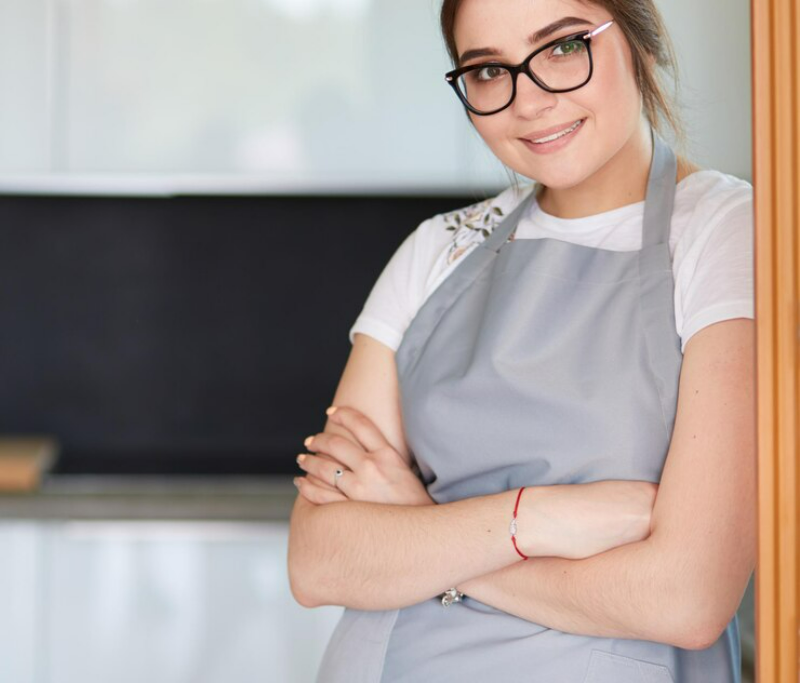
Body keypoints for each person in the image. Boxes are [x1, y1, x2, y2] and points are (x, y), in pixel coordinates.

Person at [288, 0, 756, 681]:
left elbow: (686, 597)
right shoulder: (437, 250)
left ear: (639, 42)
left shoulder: (726, 231)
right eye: (486, 70)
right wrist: (534, 520)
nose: (529, 100)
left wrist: (424, 527)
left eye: (564, 48)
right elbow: (318, 559)